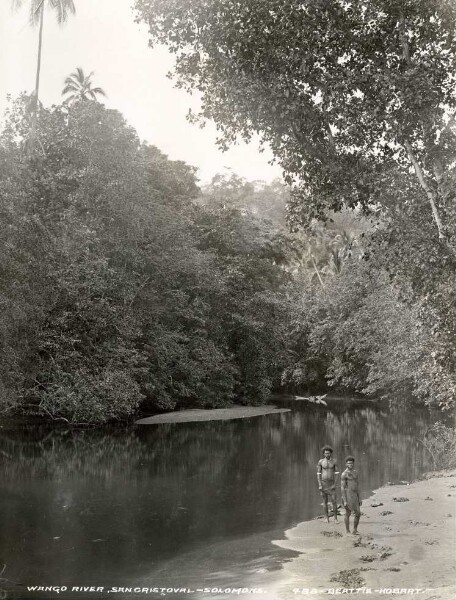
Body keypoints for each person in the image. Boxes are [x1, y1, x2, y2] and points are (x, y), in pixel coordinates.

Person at [317, 445, 339, 523]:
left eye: (328, 453)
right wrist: (319, 484)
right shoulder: (321, 461)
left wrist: (335, 484)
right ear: (323, 454)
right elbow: (318, 473)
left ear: (331, 453)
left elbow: (337, 473)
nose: (327, 454)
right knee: (324, 501)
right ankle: (326, 518)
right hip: (323, 483)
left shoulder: (334, 461)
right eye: (326, 453)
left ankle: (335, 519)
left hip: (331, 483)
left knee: (334, 501)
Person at [341, 456, 362, 535]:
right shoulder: (344, 474)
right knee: (348, 513)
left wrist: (360, 498)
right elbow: (342, 488)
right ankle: (347, 531)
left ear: (353, 463)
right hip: (348, 494)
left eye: (352, 463)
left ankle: (355, 530)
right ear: (346, 464)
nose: (350, 464)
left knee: (358, 513)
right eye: (349, 463)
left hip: (355, 495)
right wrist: (345, 500)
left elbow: (358, 485)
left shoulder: (355, 472)